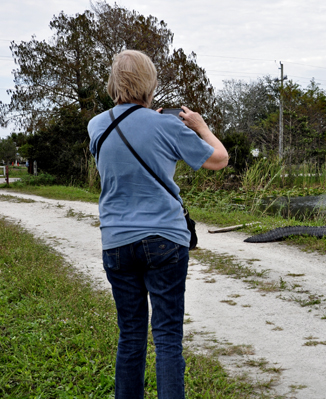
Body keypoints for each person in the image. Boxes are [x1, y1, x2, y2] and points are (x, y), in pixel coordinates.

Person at [87, 49, 228, 399]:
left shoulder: (96, 125)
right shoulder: (167, 124)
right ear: (149, 82)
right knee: (166, 337)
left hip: (116, 241)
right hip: (165, 239)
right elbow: (220, 160)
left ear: (114, 82)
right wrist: (200, 126)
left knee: (130, 335)